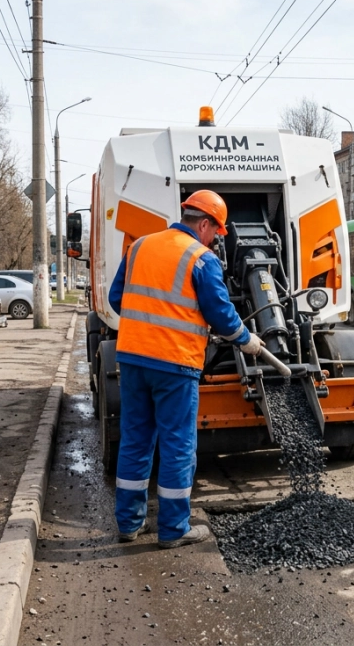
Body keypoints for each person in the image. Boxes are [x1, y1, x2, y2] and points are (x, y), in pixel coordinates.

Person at [108, 190, 266, 548]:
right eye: (216, 233)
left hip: (132, 359)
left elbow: (118, 298)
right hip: (175, 364)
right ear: (205, 224)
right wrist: (246, 340)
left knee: (135, 440)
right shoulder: (200, 258)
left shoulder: (139, 246)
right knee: (178, 445)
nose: (214, 241)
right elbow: (220, 314)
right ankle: (173, 529)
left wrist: (148, 324)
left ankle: (128, 525)